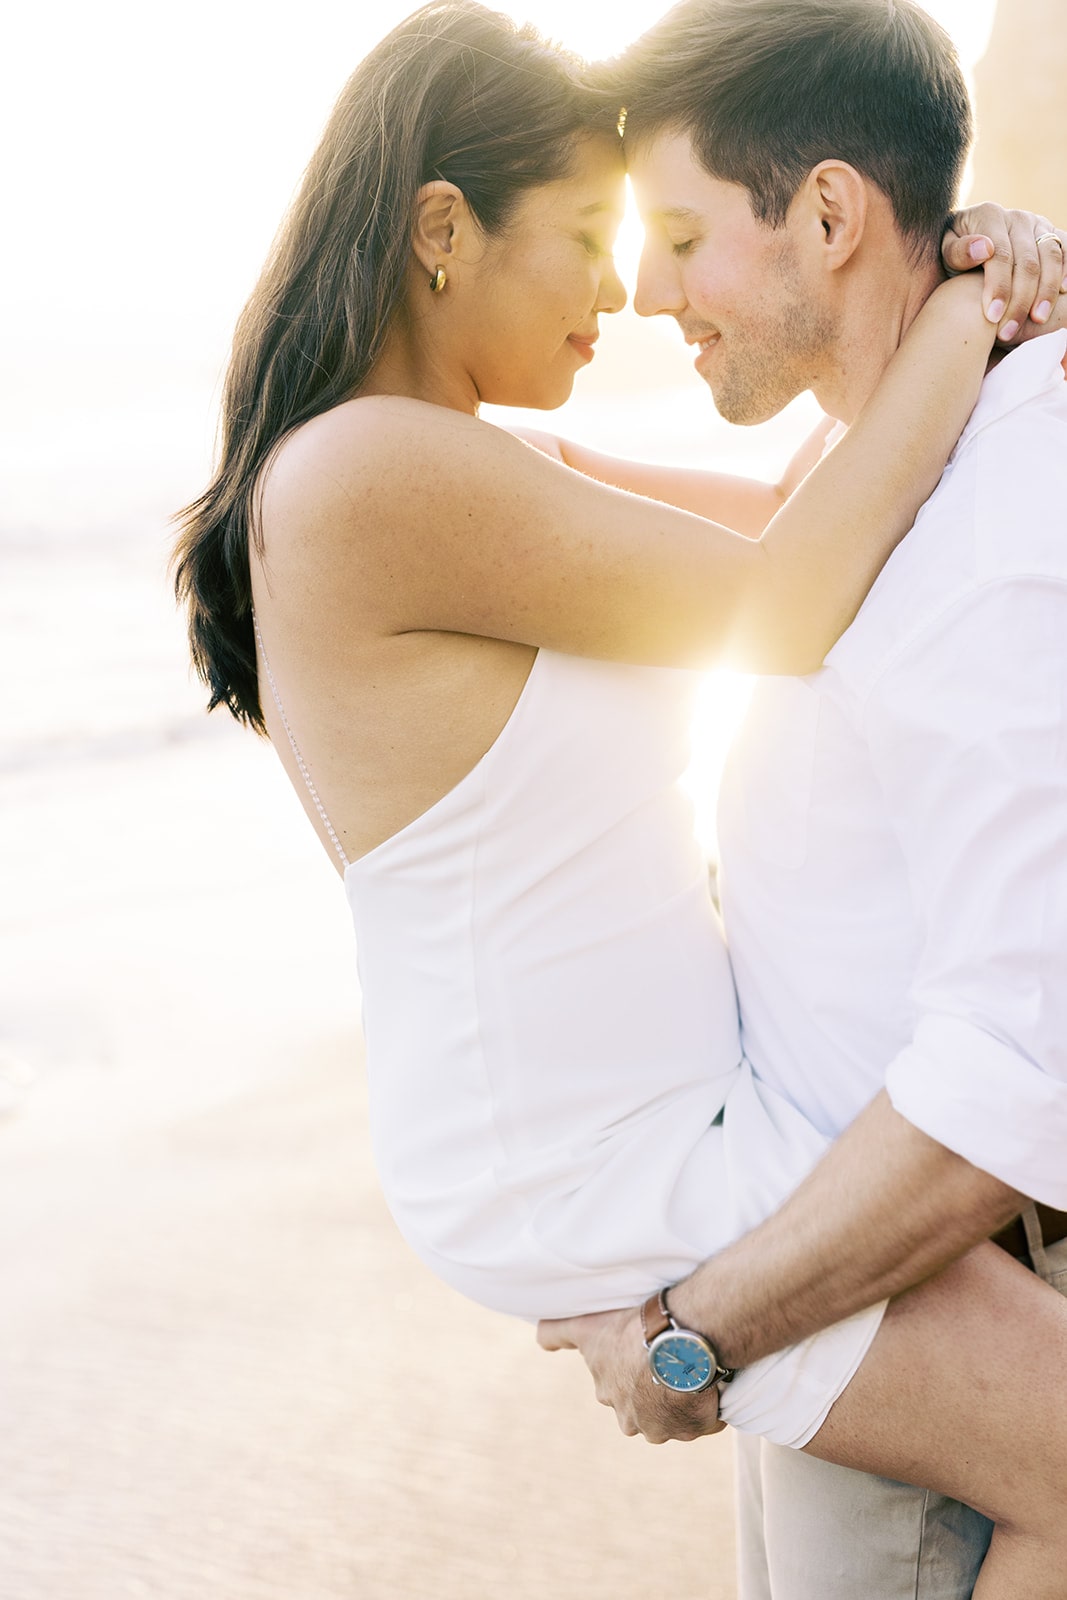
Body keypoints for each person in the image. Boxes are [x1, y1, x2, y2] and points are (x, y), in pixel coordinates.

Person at [171, 3, 1067, 1595]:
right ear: (443, 232)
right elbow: (786, 602)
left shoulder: (459, 461)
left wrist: (968, 259)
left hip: (653, 1118)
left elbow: (815, 506)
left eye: (644, 237)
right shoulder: (367, 476)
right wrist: (954, 316)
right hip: (589, 1152)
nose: (622, 293)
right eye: (588, 236)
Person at [528, 1, 1067, 1596]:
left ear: (829, 215)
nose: (642, 292)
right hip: (836, 1283)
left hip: (938, 1304)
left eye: (682, 234)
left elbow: (1013, 1071)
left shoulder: (1011, 518)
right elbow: (700, 542)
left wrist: (695, 1339)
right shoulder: (901, 456)